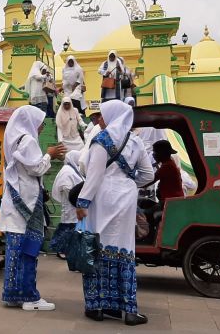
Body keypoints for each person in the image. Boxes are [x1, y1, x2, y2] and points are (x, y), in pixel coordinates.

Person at [75, 100, 154, 326]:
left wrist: (82, 202)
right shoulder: (136, 142)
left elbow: (95, 175)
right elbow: (147, 176)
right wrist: (128, 183)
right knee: (124, 250)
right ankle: (128, 310)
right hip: (126, 200)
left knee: (96, 247)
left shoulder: (101, 140)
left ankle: (97, 306)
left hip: (102, 198)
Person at [0, 105, 66, 311]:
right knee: (28, 249)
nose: (42, 126)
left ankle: (13, 294)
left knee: (15, 250)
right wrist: (49, 155)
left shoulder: (13, 140)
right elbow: (36, 168)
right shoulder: (27, 140)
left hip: (16, 203)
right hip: (26, 204)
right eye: (41, 122)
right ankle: (29, 296)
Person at [50, 149, 84, 258]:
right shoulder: (67, 171)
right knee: (67, 228)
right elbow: (66, 187)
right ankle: (61, 251)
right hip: (70, 205)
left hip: (74, 205)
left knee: (71, 228)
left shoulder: (74, 170)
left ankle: (67, 250)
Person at [150, 140, 184, 204]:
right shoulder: (169, 164)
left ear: (161, 154)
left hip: (171, 203)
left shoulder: (167, 166)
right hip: (170, 201)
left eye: (155, 152)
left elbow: (149, 180)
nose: (153, 155)